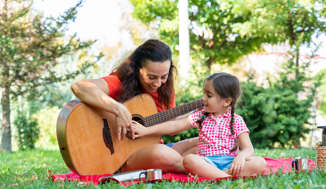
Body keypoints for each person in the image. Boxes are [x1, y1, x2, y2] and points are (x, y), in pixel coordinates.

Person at [71, 39, 197, 173]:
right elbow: (80, 87)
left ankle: (190, 165)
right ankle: (195, 167)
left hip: (152, 149)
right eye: (151, 77)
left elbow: (172, 127)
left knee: (201, 143)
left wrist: (195, 116)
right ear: (137, 69)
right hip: (123, 158)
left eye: (164, 77)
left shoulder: (165, 91)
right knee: (160, 153)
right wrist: (118, 109)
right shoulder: (120, 82)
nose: (158, 83)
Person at [131, 72, 267, 178]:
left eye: (209, 95)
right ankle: (224, 177)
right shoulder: (201, 115)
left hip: (229, 163)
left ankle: (220, 175)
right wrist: (146, 130)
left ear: (226, 101)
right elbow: (175, 126)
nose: (203, 99)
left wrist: (241, 157)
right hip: (206, 162)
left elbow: (248, 148)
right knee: (189, 160)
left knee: (260, 162)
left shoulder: (236, 120)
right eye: (204, 94)